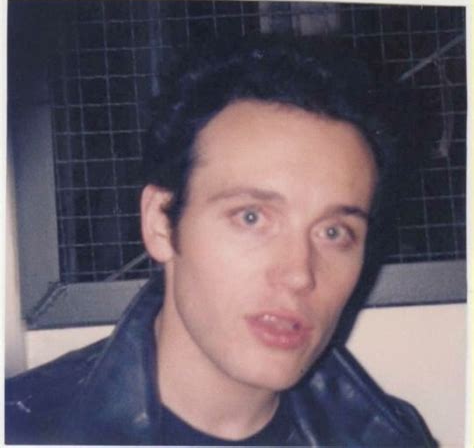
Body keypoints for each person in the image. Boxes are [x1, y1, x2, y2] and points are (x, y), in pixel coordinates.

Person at [5, 36, 436, 446]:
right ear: (160, 223)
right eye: (252, 217)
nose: (299, 274)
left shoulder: (394, 438)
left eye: (333, 232)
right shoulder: (23, 430)